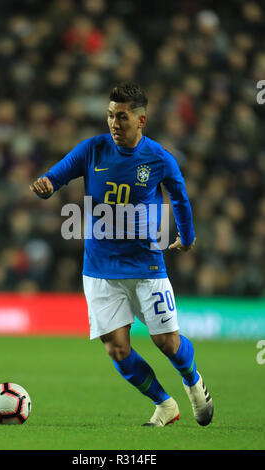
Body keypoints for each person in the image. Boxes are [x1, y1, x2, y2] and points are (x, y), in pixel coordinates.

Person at [30, 82, 213, 427]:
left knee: (167, 343)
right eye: (111, 115)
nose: (115, 123)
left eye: (123, 117)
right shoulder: (92, 149)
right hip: (100, 267)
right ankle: (164, 404)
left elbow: (180, 199)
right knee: (116, 349)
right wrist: (46, 185)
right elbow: (56, 175)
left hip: (145, 264)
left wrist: (186, 237)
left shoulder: (159, 158)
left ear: (141, 120)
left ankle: (193, 381)